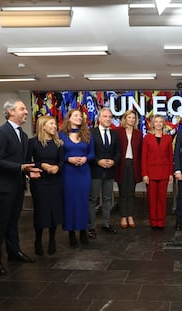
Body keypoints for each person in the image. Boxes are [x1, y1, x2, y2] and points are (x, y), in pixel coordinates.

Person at [0, 99, 41, 275]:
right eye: (22, 109)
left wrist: (28, 171)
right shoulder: (0, 133)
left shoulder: (23, 135)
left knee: (13, 222)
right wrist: (20, 168)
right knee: (0, 223)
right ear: (11, 112)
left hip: (18, 185)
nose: (26, 111)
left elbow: (22, 162)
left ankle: (14, 252)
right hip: (3, 187)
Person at [28, 116, 64, 256]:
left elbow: (62, 162)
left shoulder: (59, 143)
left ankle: (52, 240)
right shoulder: (33, 143)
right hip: (39, 182)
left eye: (55, 124)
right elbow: (27, 161)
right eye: (51, 124)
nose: (54, 126)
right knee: (41, 211)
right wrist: (41, 165)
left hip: (55, 181)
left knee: (54, 211)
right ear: (43, 126)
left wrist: (57, 168)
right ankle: (37, 240)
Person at [59, 109, 95, 248]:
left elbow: (92, 154)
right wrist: (69, 159)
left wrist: (85, 158)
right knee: (70, 202)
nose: (79, 118)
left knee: (83, 202)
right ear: (69, 118)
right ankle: (71, 233)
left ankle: (83, 231)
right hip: (68, 173)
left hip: (84, 172)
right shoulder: (61, 135)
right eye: (76, 115)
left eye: (81, 116)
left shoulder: (87, 134)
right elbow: (58, 155)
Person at [88, 108, 120, 239]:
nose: (108, 119)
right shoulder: (91, 133)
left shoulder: (115, 134)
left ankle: (106, 224)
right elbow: (89, 152)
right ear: (99, 118)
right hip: (95, 171)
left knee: (107, 199)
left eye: (110, 117)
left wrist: (113, 161)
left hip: (110, 171)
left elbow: (118, 152)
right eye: (105, 116)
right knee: (92, 199)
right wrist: (98, 161)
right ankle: (91, 227)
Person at [141, 115, 173, 229]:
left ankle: (161, 221)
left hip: (164, 172)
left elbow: (170, 156)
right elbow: (143, 157)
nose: (158, 124)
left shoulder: (168, 138)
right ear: (152, 124)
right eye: (156, 122)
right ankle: (153, 221)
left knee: (162, 199)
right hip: (151, 173)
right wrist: (144, 174)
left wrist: (170, 173)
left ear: (163, 124)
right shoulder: (147, 138)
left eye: (161, 122)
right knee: (152, 199)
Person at [115, 110, 142, 229]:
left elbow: (141, 152)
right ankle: (123, 216)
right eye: (129, 117)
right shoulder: (118, 132)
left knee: (131, 191)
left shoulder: (139, 133)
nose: (131, 120)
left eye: (133, 118)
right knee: (122, 191)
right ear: (125, 119)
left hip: (133, 164)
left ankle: (130, 215)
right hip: (121, 164)